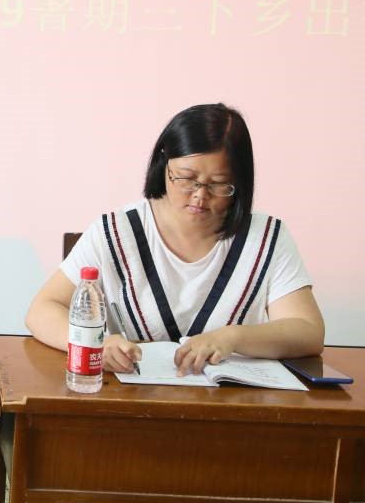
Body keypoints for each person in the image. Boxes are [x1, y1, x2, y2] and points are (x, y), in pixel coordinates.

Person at [26, 103, 324, 376]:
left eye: (219, 184)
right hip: (128, 404)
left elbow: (308, 331)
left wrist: (232, 337)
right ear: (164, 164)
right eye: (186, 178)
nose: (200, 196)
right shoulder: (117, 232)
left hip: (231, 406)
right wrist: (96, 344)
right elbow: (41, 310)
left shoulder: (266, 239)